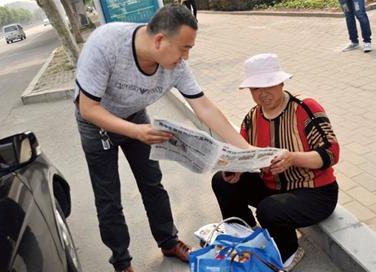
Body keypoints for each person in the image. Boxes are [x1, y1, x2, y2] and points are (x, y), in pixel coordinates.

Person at [73, 4, 251, 272]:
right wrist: (136, 132)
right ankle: (121, 262)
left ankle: (168, 241)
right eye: (184, 48)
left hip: (134, 117)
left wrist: (247, 149)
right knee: (108, 197)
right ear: (159, 40)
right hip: (96, 123)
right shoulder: (106, 44)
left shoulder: (175, 66)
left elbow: (203, 107)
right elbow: (88, 108)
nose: (186, 57)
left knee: (152, 183)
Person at [211, 53, 340, 271]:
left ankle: (288, 251)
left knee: (268, 209)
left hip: (315, 192)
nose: (262, 94)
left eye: (268, 85)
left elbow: (332, 153)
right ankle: (246, 234)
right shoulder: (252, 118)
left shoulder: (305, 107)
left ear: (281, 82)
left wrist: (293, 157)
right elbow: (244, 154)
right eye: (255, 89)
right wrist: (236, 169)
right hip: (274, 188)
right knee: (221, 182)